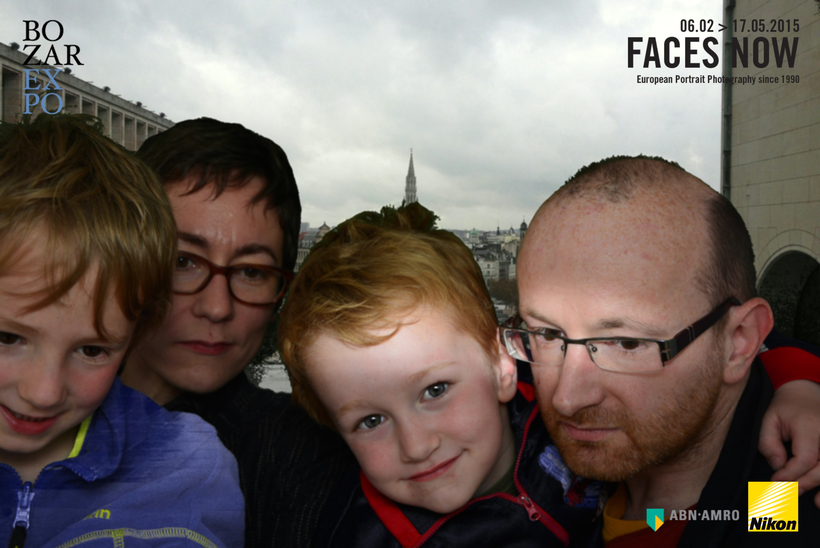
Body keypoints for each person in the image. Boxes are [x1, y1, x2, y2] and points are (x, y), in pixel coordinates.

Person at [509, 156, 820, 546]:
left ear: (739, 341)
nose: (566, 399)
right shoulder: (503, 414)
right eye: (547, 333)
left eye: (627, 343)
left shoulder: (779, 503)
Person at [278, 204, 602, 547]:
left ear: (501, 364)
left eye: (435, 390)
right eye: (371, 421)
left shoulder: (578, 408)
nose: (417, 447)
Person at [0, 114, 243, 547]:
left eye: (92, 350)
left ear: (135, 335)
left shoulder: (182, 466)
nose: (44, 392)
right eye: (7, 338)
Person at [119, 117, 354, 548]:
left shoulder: (305, 457)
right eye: (182, 262)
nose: (217, 307)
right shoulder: (31, 411)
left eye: (251, 272)